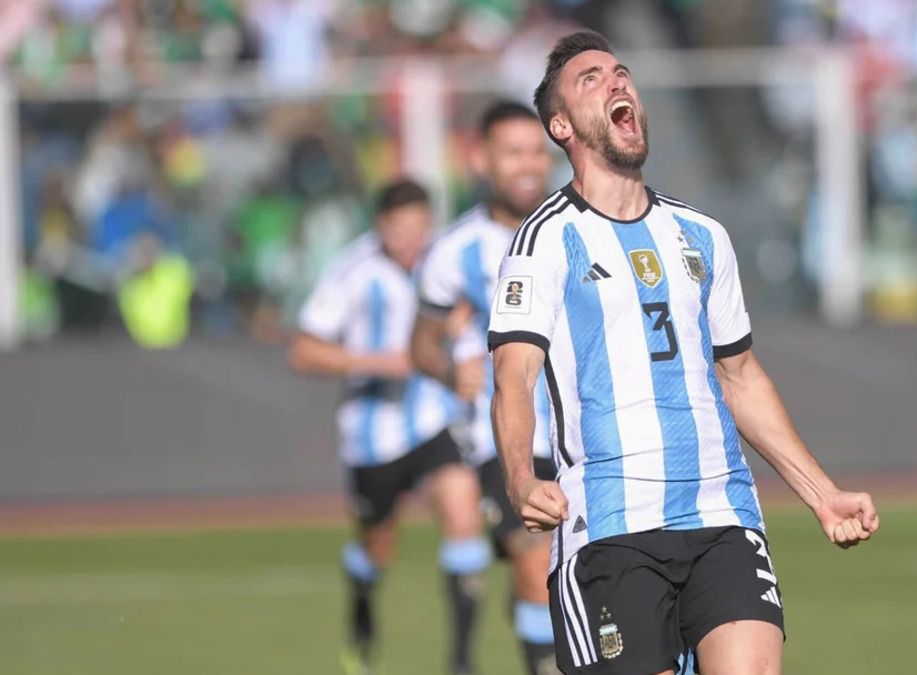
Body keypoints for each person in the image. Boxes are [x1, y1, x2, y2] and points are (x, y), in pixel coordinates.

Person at [487, 31, 881, 675]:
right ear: (561, 125)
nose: (617, 83)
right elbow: (513, 377)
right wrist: (519, 477)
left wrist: (821, 493)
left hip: (722, 514)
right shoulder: (544, 242)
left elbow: (741, 376)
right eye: (590, 79)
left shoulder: (703, 236)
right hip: (609, 527)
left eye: (621, 73)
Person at [289, 179, 490, 675]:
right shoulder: (352, 272)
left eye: (420, 227)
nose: (412, 239)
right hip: (372, 435)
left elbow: (463, 323)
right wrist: (384, 361)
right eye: (401, 229)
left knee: (464, 521)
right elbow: (304, 351)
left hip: (432, 420)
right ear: (381, 226)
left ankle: (461, 661)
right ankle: (362, 605)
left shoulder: (441, 264)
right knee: (377, 545)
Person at [411, 101, 558, 675]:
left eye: (536, 153)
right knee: (532, 553)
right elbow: (420, 345)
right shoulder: (453, 251)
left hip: (589, 433)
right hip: (504, 435)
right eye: (513, 152)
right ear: (482, 160)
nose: (528, 165)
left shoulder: (576, 229)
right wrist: (450, 372)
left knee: (577, 575)